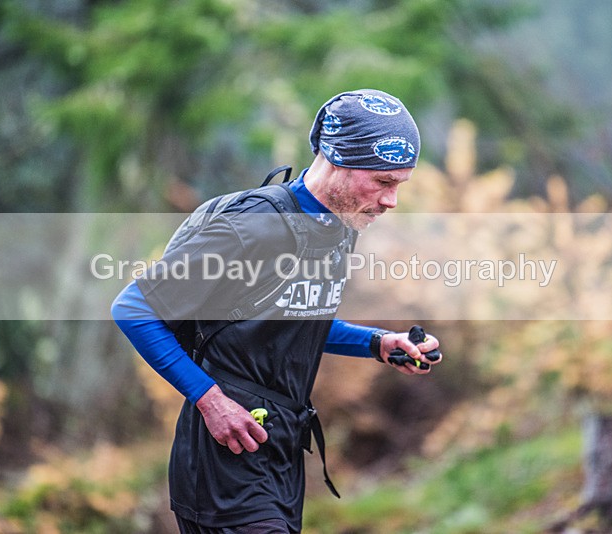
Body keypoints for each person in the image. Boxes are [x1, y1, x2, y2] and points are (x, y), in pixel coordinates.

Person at [111, 89, 442, 534]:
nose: (391, 201)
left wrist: (378, 342)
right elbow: (134, 307)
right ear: (338, 160)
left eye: (400, 185)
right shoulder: (255, 225)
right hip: (224, 458)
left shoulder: (338, 226)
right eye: (383, 182)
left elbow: (293, 318)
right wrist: (211, 401)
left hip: (279, 452)